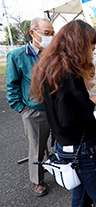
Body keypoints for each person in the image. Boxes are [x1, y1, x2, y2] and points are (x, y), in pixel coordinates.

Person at [30, 20, 96, 206]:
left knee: (81, 196)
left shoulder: (50, 66)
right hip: (83, 149)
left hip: (64, 146)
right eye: (91, 48)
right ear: (80, 44)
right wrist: (91, 101)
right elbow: (70, 118)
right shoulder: (68, 73)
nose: (91, 53)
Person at [6, 18, 54, 196]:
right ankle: (37, 180)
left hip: (54, 108)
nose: (50, 37)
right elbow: (12, 86)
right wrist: (21, 108)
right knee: (37, 147)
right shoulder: (17, 55)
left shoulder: (51, 54)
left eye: (52, 34)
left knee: (56, 141)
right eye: (47, 34)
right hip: (34, 110)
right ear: (33, 33)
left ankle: (53, 167)